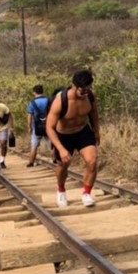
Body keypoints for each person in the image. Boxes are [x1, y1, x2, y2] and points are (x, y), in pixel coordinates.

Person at [45, 68, 100, 208]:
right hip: (63, 135)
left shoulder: (90, 97)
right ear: (74, 86)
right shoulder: (60, 101)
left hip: (83, 131)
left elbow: (93, 114)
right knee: (63, 165)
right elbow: (49, 128)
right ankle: (61, 190)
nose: (84, 94)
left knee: (92, 161)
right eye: (82, 91)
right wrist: (61, 149)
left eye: (88, 90)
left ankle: (86, 193)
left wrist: (96, 131)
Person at [26, 84, 51, 167]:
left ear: (34, 93)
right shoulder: (48, 100)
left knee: (34, 146)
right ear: (42, 91)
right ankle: (56, 160)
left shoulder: (32, 103)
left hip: (36, 127)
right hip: (48, 125)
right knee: (52, 145)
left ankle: (31, 162)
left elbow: (30, 116)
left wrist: (29, 127)